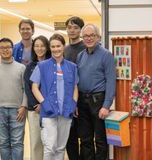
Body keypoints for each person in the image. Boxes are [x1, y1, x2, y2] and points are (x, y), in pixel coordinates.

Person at [30, 34, 78, 160]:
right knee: (50, 146)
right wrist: (44, 103)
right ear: (49, 48)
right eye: (53, 46)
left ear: (64, 46)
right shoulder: (42, 66)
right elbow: (34, 87)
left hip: (66, 111)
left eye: (58, 46)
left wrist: (73, 104)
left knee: (61, 147)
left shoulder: (72, 67)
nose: (56, 49)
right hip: (48, 112)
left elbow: (75, 88)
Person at [76, 24, 116, 160]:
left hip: (98, 101)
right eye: (85, 36)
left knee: (100, 139)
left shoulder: (106, 55)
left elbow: (111, 81)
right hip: (82, 101)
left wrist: (106, 105)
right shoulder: (80, 56)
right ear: (82, 38)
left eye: (92, 35)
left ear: (98, 37)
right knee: (85, 139)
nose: (88, 38)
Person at [0, 38, 27, 160]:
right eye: (2, 48)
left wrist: (24, 106)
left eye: (8, 47)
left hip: (18, 111)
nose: (5, 50)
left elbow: (25, 89)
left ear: (12, 49)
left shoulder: (21, 68)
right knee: (4, 143)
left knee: (17, 143)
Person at [24, 35, 51, 160]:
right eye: (37, 46)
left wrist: (44, 104)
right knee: (35, 142)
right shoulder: (30, 67)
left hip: (50, 109)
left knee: (50, 142)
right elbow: (28, 88)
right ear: (33, 48)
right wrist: (36, 104)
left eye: (42, 46)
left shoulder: (53, 64)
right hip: (34, 110)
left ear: (47, 47)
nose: (39, 48)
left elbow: (54, 88)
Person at [64, 16, 86, 160]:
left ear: (81, 30)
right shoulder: (64, 49)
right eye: (69, 27)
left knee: (85, 136)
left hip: (83, 98)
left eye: (76, 27)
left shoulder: (86, 48)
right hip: (67, 99)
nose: (72, 30)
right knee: (69, 137)